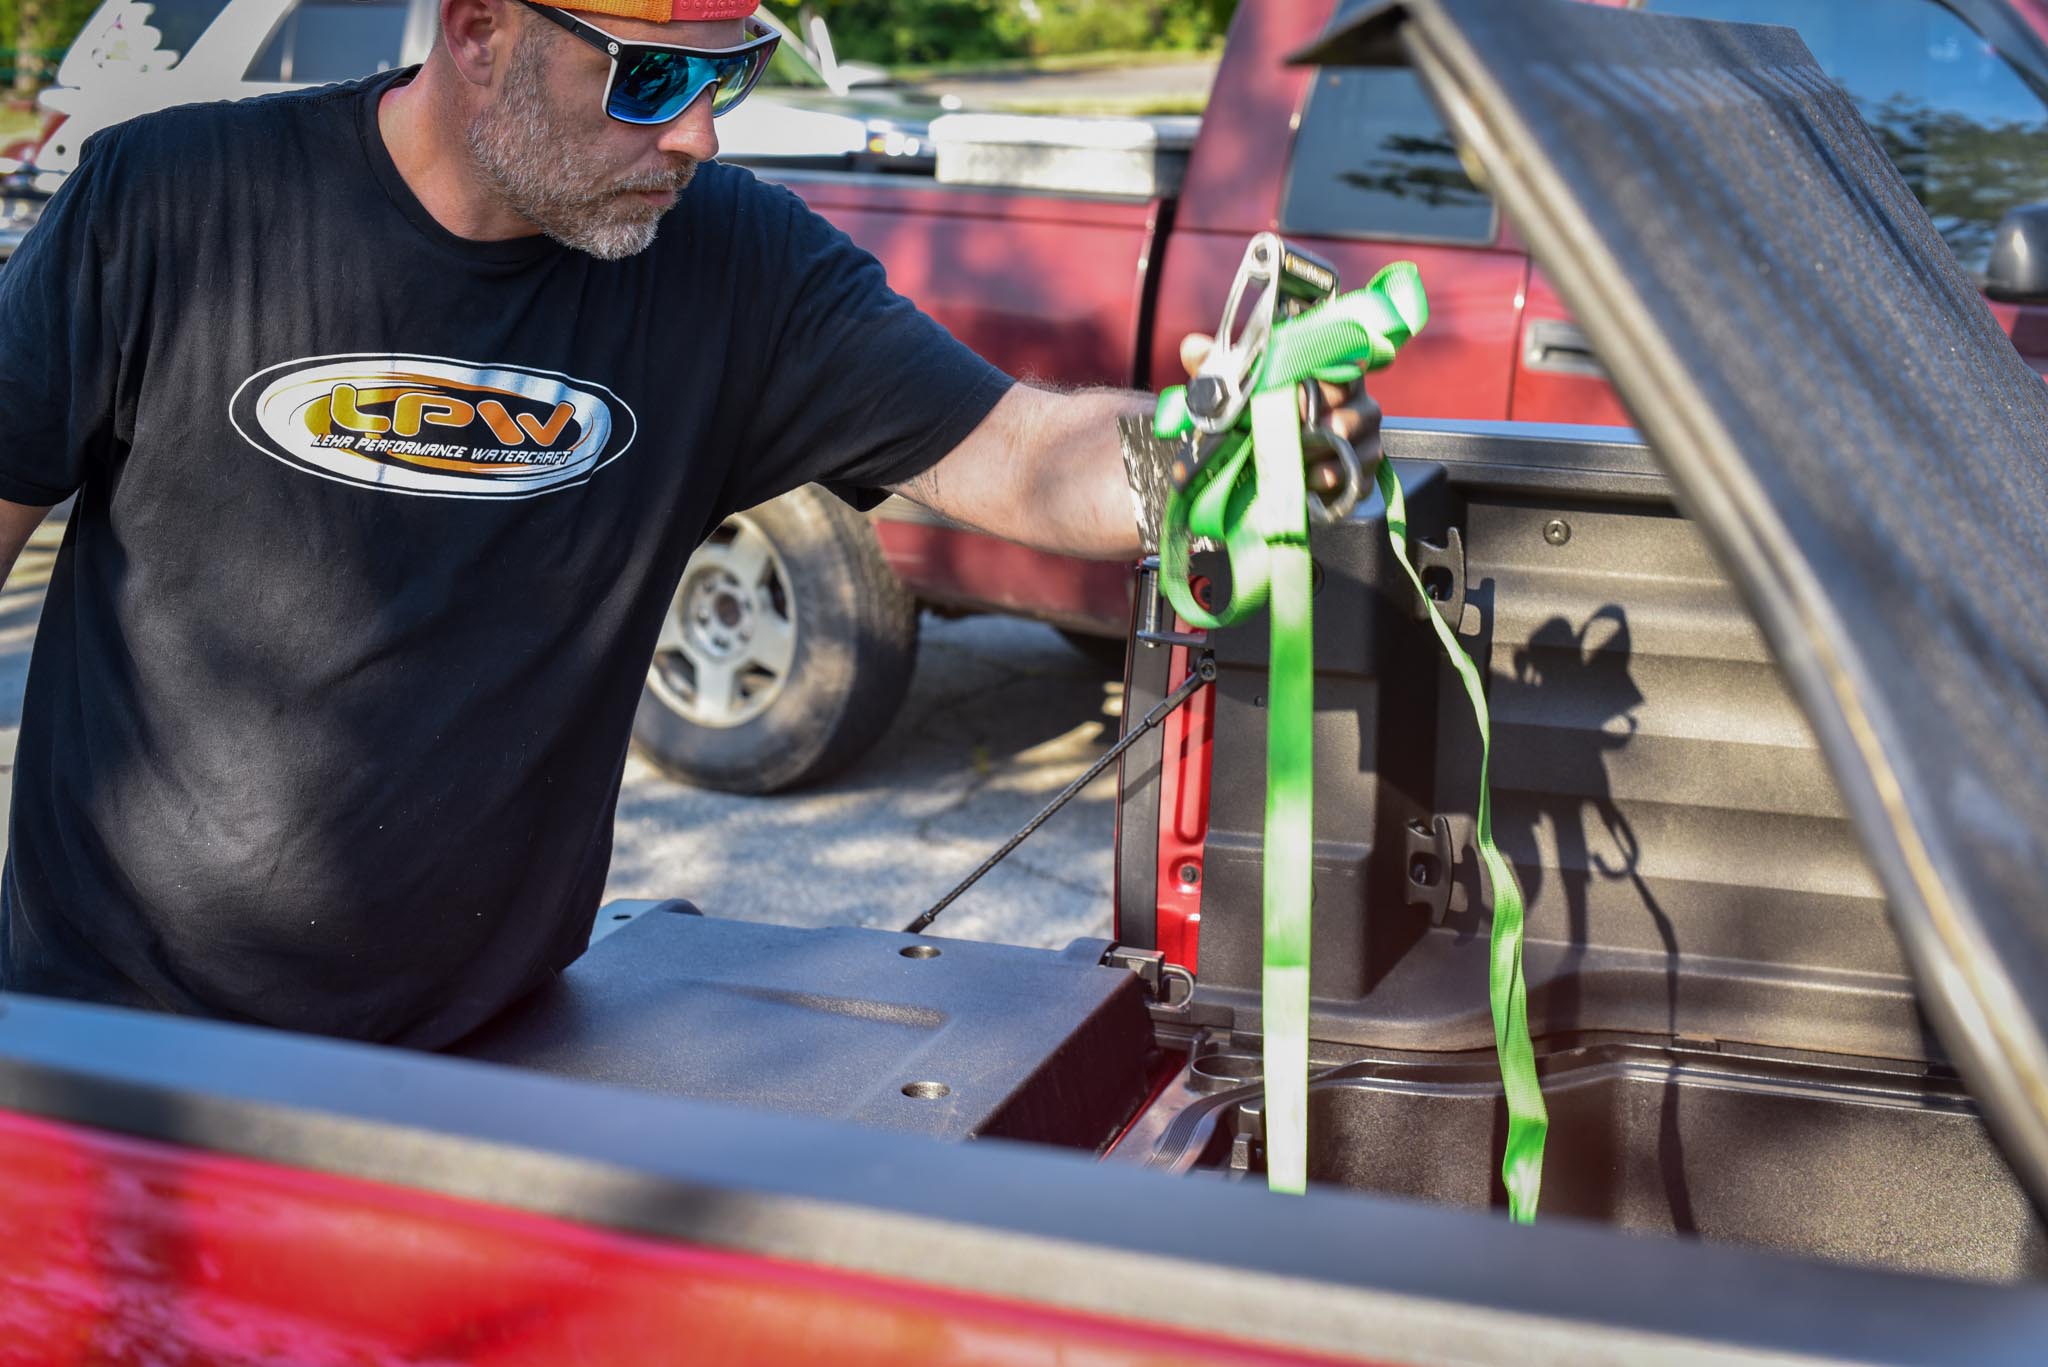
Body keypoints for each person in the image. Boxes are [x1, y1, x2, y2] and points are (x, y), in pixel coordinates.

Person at [0, 0, 1375, 1046]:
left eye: (733, 75)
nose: (701, 133)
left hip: (485, 1053)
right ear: (483, 33)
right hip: (113, 1031)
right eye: (654, 77)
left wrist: (1214, 450)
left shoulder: (736, 268)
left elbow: (1020, 453)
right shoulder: (170, 204)